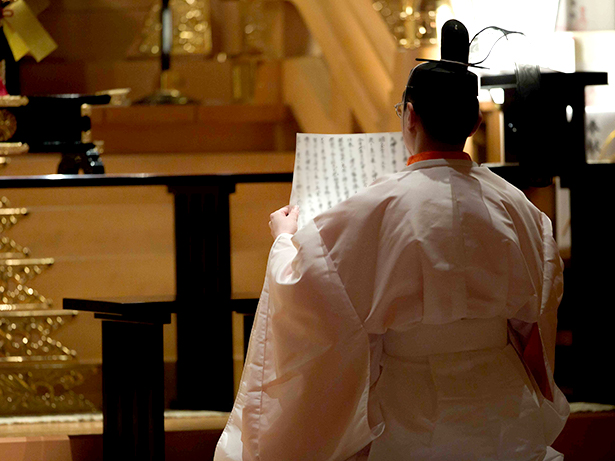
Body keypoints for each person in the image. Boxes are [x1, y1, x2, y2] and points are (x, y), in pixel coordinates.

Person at [214, 19, 569, 461]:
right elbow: (535, 316)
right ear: (476, 123)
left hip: (411, 398)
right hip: (501, 398)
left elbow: (309, 289)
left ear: (411, 116)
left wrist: (285, 241)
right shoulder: (521, 210)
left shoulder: (374, 206)